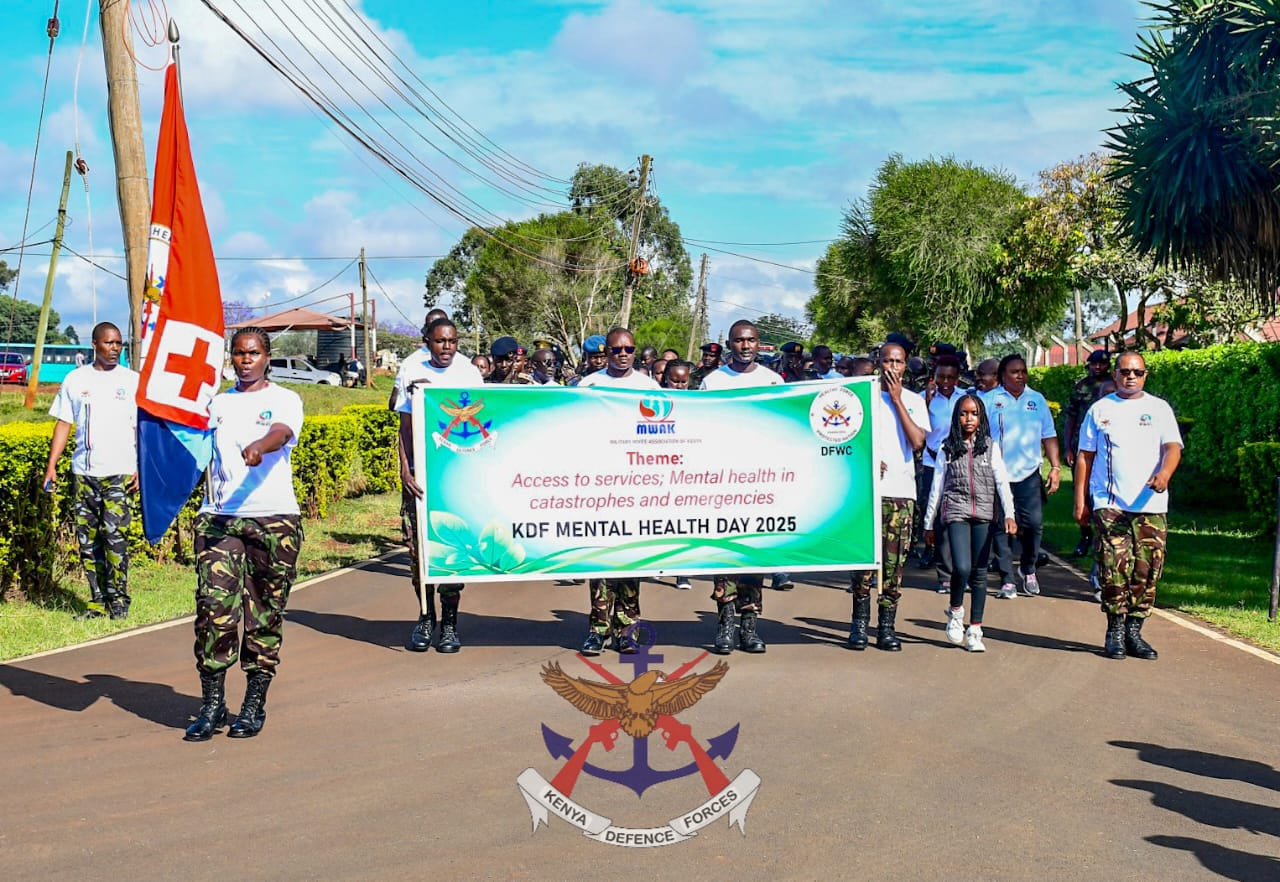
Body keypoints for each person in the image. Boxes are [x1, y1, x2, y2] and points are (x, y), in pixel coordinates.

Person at [184, 327, 305, 741]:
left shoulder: (284, 399)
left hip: (274, 521)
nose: (245, 360)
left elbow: (283, 433)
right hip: (219, 518)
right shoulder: (215, 403)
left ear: (267, 356)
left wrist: (260, 445)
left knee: (264, 613)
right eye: (238, 353)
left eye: (252, 353)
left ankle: (254, 701)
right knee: (214, 610)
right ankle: (212, 704)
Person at [1074, 352, 1182, 660]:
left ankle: (1135, 631)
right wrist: (1081, 501)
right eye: (1124, 371)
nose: (1130, 376)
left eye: (1137, 372)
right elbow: (1085, 457)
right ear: (1115, 375)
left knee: (1148, 569)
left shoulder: (1158, 409)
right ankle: (1115, 629)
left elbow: (1173, 447)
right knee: (1114, 567)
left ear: (1146, 374)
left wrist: (1164, 475)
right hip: (1111, 502)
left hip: (1151, 504)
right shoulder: (1100, 410)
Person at [394, 317, 486, 653]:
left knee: (451, 551)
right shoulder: (410, 367)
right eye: (439, 341)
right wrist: (406, 470)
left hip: (454, 480)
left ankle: (449, 624)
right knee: (418, 555)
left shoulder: (468, 372)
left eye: (452, 341)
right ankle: (425, 616)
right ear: (427, 341)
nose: (446, 347)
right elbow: (404, 428)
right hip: (419, 480)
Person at [43, 321, 139, 621]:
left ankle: (119, 600)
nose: (114, 349)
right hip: (85, 473)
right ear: (95, 344)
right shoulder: (75, 379)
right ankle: (97, 601)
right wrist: (52, 465)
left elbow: (144, 430)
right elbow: (63, 423)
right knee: (88, 541)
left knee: (115, 536)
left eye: (118, 344)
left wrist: (140, 468)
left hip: (120, 472)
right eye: (109, 343)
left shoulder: (132, 381)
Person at [701, 319, 784, 653]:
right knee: (724, 558)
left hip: (760, 487)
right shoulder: (713, 382)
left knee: (753, 560)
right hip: (722, 486)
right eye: (738, 341)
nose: (745, 346)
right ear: (729, 344)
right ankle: (724, 625)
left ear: (758, 342)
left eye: (750, 340)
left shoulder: (774, 381)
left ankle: (749, 628)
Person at [575, 328, 659, 654]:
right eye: (615, 349)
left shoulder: (648, 387)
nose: (622, 354)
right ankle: (598, 629)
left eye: (628, 349)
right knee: (599, 559)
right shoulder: (588, 386)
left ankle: (627, 629)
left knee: (629, 561)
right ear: (605, 352)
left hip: (635, 488)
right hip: (598, 487)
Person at [848, 341, 929, 651]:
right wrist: (866, 456)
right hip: (867, 494)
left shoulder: (913, 400)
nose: (892, 367)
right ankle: (858, 625)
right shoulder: (861, 397)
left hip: (900, 493)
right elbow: (846, 440)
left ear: (905, 365)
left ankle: (885, 627)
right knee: (864, 562)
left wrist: (896, 401)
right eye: (887, 361)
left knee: (893, 567)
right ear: (878, 362)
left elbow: (918, 442)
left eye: (898, 362)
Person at [923, 395, 1017, 653]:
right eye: (963, 414)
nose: (968, 419)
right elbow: (937, 487)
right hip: (956, 511)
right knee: (961, 567)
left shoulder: (990, 446)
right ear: (956, 417)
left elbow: (1002, 482)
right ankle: (955, 612)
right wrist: (928, 523)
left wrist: (1009, 514)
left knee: (979, 571)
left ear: (981, 416)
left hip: (984, 514)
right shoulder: (947, 448)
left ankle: (975, 629)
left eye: (974, 413)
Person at [981, 354, 1061, 599]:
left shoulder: (1036, 400)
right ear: (1002, 376)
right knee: (1000, 527)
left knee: (1033, 524)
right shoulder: (989, 400)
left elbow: (1048, 435)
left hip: (1029, 474)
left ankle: (1028, 568)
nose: (1020, 376)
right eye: (1014, 372)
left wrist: (1055, 467)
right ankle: (1007, 579)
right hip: (997, 473)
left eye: (1023, 371)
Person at [917, 355, 963, 592]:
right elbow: (917, 431)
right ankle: (944, 574)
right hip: (932, 462)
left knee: (958, 516)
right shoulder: (923, 399)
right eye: (941, 377)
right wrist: (925, 401)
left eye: (951, 377)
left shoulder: (965, 398)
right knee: (937, 516)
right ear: (934, 377)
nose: (946, 382)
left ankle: (961, 570)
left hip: (959, 465)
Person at [1064, 350, 1113, 556]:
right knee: (1081, 492)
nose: (1098, 368)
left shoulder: (1114, 385)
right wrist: (1067, 447)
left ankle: (1105, 537)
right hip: (1082, 446)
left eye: (1101, 364)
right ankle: (1085, 535)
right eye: (1094, 364)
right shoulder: (1081, 386)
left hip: (1105, 447)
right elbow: (1071, 418)